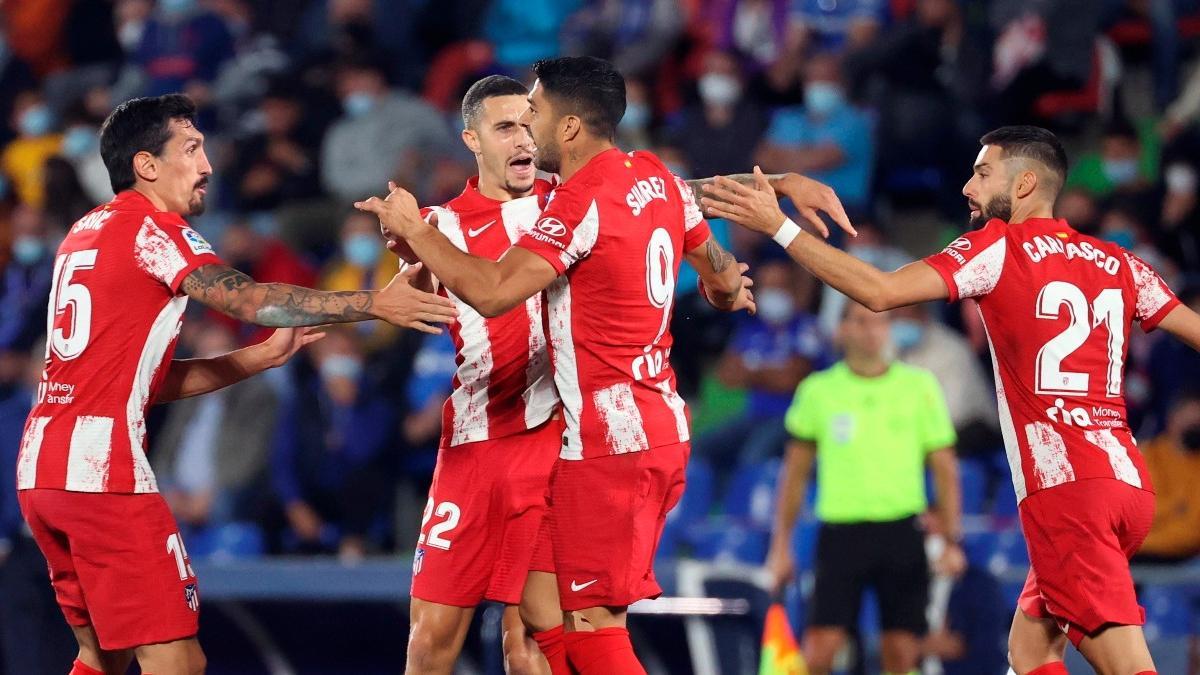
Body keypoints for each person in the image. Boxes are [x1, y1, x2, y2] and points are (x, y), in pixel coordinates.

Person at [357, 56, 848, 675]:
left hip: (573, 437)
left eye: (527, 118)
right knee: (472, 631)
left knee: (554, 631)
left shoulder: (564, 202)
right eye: (506, 125)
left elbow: (506, 282)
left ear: (563, 127)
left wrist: (777, 182)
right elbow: (676, 201)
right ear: (472, 141)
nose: (522, 135)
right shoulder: (449, 223)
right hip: (489, 442)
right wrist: (378, 298)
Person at [701, 125, 1200, 675]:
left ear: (1027, 182)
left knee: (1128, 665)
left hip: (1068, 491)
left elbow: (880, 292)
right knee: (1031, 653)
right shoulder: (1120, 262)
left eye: (983, 173)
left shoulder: (997, 247)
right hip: (1127, 485)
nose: (968, 186)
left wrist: (778, 227)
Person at [14, 94, 456, 675]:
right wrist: (376, 303)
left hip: (43, 468)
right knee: (179, 661)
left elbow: (137, 382)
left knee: (101, 655)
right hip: (102, 474)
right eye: (192, 149)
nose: (207, 166)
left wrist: (255, 361)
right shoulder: (155, 230)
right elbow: (252, 299)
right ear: (146, 165)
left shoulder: (85, 232)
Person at [766, 302, 963, 675]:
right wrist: (781, 545)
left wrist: (952, 540)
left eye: (880, 322)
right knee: (820, 650)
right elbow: (793, 474)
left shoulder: (918, 387)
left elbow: (945, 469)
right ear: (841, 330)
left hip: (902, 532)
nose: (872, 331)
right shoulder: (818, 391)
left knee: (902, 653)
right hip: (841, 535)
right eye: (861, 321)